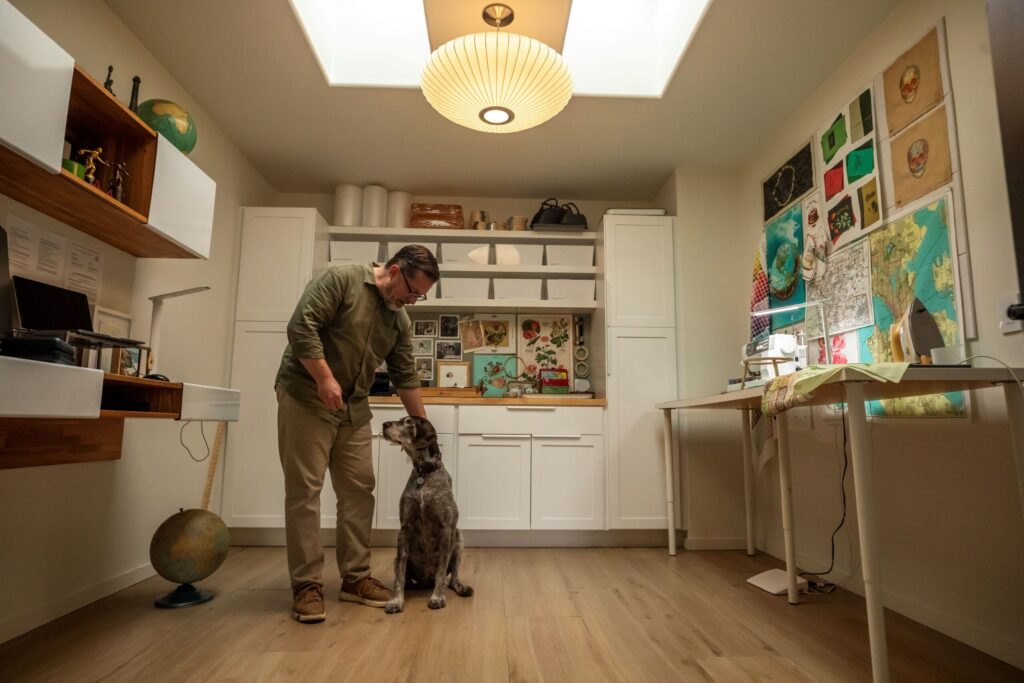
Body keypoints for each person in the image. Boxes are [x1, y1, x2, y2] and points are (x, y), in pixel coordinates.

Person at [275, 245, 439, 623]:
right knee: (305, 491)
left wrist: (424, 432)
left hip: (354, 406)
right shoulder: (342, 280)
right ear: (394, 271)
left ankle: (355, 578)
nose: (413, 300)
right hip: (307, 397)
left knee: (359, 490)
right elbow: (301, 326)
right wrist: (324, 378)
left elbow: (405, 375)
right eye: (413, 291)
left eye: (421, 296)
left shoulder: (399, 321)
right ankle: (306, 585)